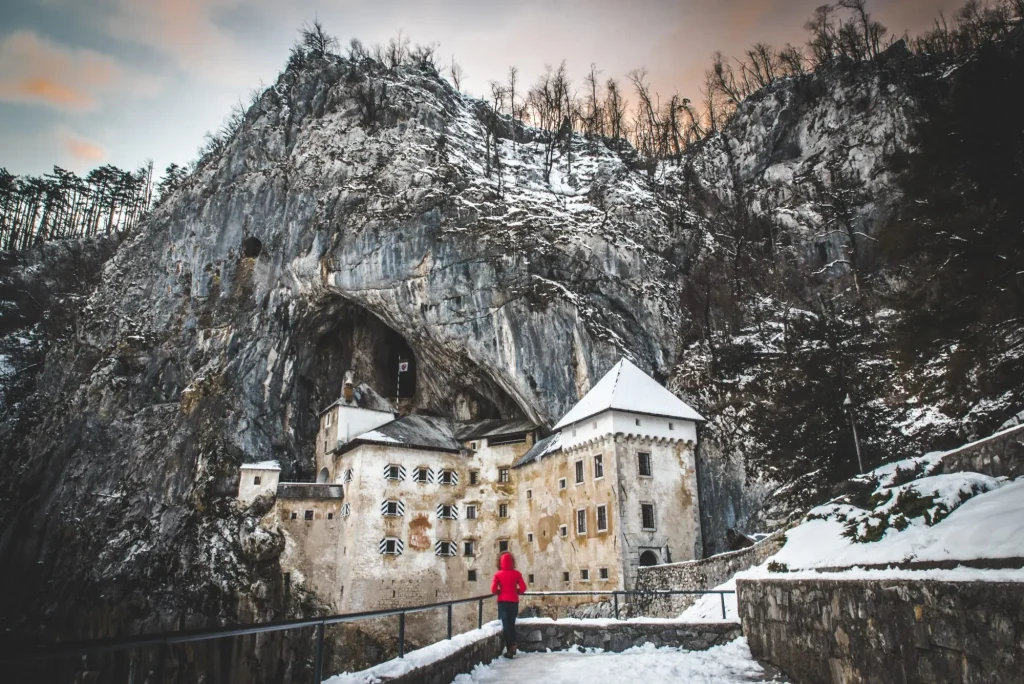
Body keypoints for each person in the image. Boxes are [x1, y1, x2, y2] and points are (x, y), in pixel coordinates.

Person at [490, 551, 527, 658]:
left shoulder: (497, 574)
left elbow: (493, 590)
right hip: (514, 602)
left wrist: (499, 592)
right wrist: (516, 591)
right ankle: (513, 645)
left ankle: (510, 648)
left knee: (506, 626)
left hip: (503, 602)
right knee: (511, 624)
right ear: (512, 562)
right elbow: (523, 588)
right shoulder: (517, 574)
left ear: (500, 562)